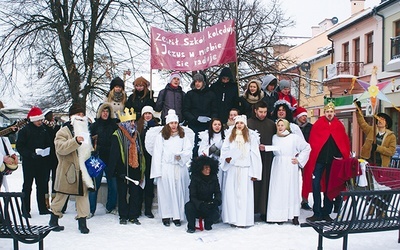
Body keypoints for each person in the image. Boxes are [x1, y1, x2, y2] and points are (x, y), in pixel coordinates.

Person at [49, 103, 95, 234]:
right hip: (67, 170)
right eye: (77, 114)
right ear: (71, 117)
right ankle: (53, 219)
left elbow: (87, 150)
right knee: (61, 196)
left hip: (83, 171)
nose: (80, 117)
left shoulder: (86, 131)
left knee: (83, 196)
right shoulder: (63, 131)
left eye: (82, 115)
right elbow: (60, 148)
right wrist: (75, 141)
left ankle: (82, 222)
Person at [303, 102, 350, 222]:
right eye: (327, 112)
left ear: (335, 112)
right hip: (318, 160)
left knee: (330, 186)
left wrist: (341, 156)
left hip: (332, 161)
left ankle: (326, 212)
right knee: (316, 185)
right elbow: (313, 142)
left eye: (331, 112)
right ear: (325, 113)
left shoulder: (339, 125)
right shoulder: (318, 124)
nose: (329, 114)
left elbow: (343, 142)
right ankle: (317, 212)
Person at [150, 109, 193, 227]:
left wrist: (181, 157)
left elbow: (188, 150)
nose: (173, 125)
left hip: (179, 167)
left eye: (175, 123)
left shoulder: (183, 136)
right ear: (167, 124)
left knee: (179, 192)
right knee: (166, 192)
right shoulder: (161, 136)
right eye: (171, 123)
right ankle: (166, 215)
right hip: (166, 168)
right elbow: (157, 153)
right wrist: (157, 171)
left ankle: (177, 216)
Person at [219, 115, 262, 227]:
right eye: (237, 123)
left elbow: (255, 154)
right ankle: (232, 219)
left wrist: (255, 172)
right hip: (233, 168)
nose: (239, 125)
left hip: (245, 169)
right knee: (232, 194)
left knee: (244, 195)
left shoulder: (250, 137)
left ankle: (243, 220)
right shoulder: (230, 137)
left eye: (241, 123)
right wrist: (226, 158)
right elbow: (224, 150)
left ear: (245, 125)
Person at [266, 119, 311, 225]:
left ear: (286, 126)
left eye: (282, 125)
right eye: (278, 125)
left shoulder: (294, 138)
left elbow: (307, 147)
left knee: (291, 189)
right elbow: (276, 149)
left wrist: (299, 159)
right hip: (278, 165)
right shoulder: (274, 137)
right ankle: (278, 215)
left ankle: (294, 215)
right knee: (278, 189)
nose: (280, 127)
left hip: (290, 166)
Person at [108, 107, 146, 225]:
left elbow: (140, 152)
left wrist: (141, 169)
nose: (133, 124)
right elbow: (114, 154)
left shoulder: (136, 134)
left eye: (133, 121)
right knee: (122, 193)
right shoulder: (117, 135)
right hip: (122, 168)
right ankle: (123, 215)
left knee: (135, 193)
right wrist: (115, 170)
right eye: (130, 122)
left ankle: (133, 215)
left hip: (134, 167)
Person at [16, 106, 52, 217]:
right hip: (29, 162)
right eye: (38, 120)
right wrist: (30, 154)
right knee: (27, 186)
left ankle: (42, 208)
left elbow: (48, 143)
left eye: (41, 120)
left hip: (41, 162)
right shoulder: (25, 130)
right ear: (33, 119)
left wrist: (46, 152)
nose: (40, 122)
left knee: (41, 185)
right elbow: (20, 146)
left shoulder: (44, 129)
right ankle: (25, 210)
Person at [88, 103, 119, 218]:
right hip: (97, 158)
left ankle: (110, 207)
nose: (105, 113)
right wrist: (93, 149)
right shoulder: (94, 126)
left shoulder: (114, 125)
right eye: (103, 111)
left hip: (111, 158)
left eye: (107, 111)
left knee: (113, 185)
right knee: (94, 185)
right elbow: (89, 142)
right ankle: (91, 209)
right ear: (100, 112)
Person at [247, 101, 276, 221]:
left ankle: (264, 210)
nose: (263, 114)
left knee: (266, 183)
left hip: (267, 158)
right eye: (260, 112)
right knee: (253, 183)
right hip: (252, 158)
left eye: (265, 112)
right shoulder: (249, 123)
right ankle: (251, 210)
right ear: (255, 110)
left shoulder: (271, 124)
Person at [183, 73, 218, 157]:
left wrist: (212, 120)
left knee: (206, 147)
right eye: (196, 81)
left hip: (207, 125)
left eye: (200, 81)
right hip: (194, 125)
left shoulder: (211, 94)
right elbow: (185, 110)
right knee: (194, 147)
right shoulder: (190, 94)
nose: (197, 83)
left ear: (203, 83)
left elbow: (215, 109)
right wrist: (193, 119)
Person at [185, 156, 222, 233]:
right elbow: (192, 196)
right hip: (197, 205)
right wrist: (200, 204)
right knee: (188, 206)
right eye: (205, 168)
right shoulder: (195, 179)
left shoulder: (214, 178)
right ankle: (191, 227)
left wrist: (215, 201)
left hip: (209, 204)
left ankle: (208, 223)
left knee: (216, 214)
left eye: (209, 168)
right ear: (200, 168)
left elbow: (217, 192)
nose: (208, 169)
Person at [354, 101, 396, 167]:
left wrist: (378, 148)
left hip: (381, 164)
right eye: (379, 119)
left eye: (382, 120)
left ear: (386, 124)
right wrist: (358, 110)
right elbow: (362, 123)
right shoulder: (372, 130)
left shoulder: (391, 136)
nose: (380, 121)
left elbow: (391, 151)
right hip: (368, 162)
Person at [136, 105, 160, 218]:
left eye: (149, 113)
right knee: (140, 182)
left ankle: (148, 209)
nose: (147, 115)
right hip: (140, 158)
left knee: (149, 183)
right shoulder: (137, 126)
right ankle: (138, 206)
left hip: (151, 158)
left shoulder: (156, 127)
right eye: (145, 113)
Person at [293, 106, 313, 210]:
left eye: (305, 116)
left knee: (306, 178)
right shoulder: (292, 127)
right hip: (294, 155)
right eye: (302, 116)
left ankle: (304, 199)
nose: (304, 118)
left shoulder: (310, 127)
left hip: (306, 155)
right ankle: (292, 199)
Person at [198, 118, 226, 190]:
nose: (217, 126)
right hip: (209, 164)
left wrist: (219, 153)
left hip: (221, 164)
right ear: (211, 126)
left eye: (219, 124)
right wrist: (210, 150)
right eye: (215, 124)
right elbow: (201, 151)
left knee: (220, 183)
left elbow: (228, 150)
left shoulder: (225, 136)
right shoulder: (206, 136)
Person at [42, 109, 61, 209]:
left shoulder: (57, 127)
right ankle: (45, 199)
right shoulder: (43, 127)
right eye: (50, 115)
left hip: (55, 156)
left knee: (55, 179)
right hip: (45, 157)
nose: (52, 117)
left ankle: (54, 198)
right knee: (45, 179)